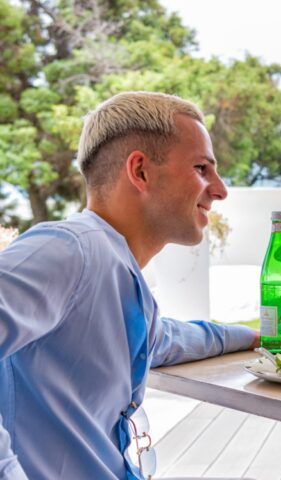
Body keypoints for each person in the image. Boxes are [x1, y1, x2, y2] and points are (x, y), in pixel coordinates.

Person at [0, 92, 262, 479]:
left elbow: (164, 339)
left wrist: (253, 337)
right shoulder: (69, 249)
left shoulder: (115, 272)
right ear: (140, 171)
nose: (220, 190)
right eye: (202, 168)